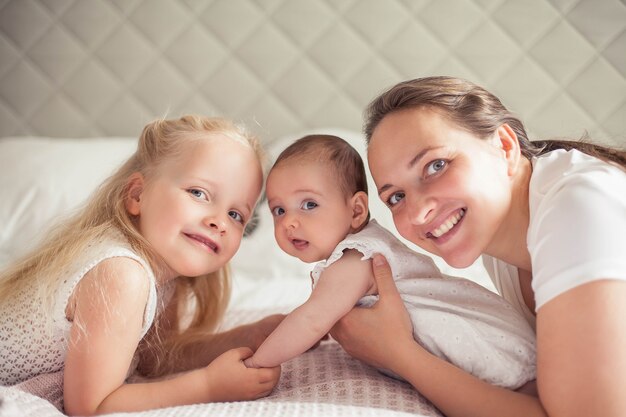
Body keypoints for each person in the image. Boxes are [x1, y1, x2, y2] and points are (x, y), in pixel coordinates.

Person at [330, 76, 626, 417]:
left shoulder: (578, 206)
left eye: (435, 166)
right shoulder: (498, 243)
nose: (419, 211)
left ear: (504, 146)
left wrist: (401, 354)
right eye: (396, 197)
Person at [0, 115, 284, 415]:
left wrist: (243, 337)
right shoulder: (121, 273)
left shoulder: (164, 274)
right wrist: (207, 386)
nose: (219, 221)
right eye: (198, 193)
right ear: (137, 194)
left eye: (236, 214)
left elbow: (151, 359)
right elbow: (89, 407)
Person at [243, 134, 536, 390]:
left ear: (357, 210)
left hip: (487, 345)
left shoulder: (356, 256)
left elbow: (311, 320)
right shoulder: (359, 250)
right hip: (501, 342)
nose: (289, 222)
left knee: (521, 392)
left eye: (309, 205)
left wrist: (256, 364)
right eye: (279, 210)